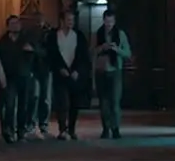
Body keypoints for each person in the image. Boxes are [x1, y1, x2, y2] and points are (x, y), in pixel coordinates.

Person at [45, 10, 89, 140]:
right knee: (62, 102)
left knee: (74, 102)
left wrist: (77, 70)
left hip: (75, 73)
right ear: (62, 21)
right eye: (68, 20)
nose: (71, 23)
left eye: (72, 20)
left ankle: (72, 129)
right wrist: (59, 68)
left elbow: (83, 56)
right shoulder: (54, 36)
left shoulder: (79, 36)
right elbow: (51, 55)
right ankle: (62, 129)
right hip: (60, 74)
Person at [92, 8, 132, 139]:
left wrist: (117, 50)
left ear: (114, 22)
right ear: (103, 21)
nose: (109, 24)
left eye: (111, 22)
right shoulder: (97, 34)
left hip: (115, 71)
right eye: (107, 21)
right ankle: (105, 128)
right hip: (101, 71)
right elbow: (91, 52)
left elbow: (128, 54)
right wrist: (101, 48)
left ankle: (115, 128)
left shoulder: (120, 35)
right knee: (103, 102)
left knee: (115, 101)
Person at [0, 15, 35, 143]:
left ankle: (21, 132)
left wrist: (31, 50)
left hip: (24, 76)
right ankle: (8, 130)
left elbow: (39, 53)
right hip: (9, 77)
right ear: (8, 26)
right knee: (9, 104)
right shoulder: (3, 41)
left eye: (17, 23)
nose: (15, 25)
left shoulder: (26, 39)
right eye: (12, 23)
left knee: (23, 105)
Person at [28, 21, 53, 139]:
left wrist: (35, 50)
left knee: (45, 98)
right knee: (35, 96)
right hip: (36, 70)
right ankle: (34, 124)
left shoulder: (50, 35)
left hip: (46, 69)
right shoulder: (31, 35)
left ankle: (43, 125)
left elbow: (49, 52)